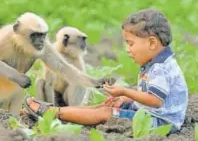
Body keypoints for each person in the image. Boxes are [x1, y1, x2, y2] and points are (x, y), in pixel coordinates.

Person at [24, 8, 188, 133]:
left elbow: (155, 101)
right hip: (148, 113)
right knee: (102, 106)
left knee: (105, 112)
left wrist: (125, 92)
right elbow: (152, 99)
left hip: (159, 122)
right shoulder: (155, 63)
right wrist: (125, 99)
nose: (127, 49)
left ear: (152, 43)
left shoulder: (161, 68)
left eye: (131, 43)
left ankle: (50, 113)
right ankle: (52, 111)